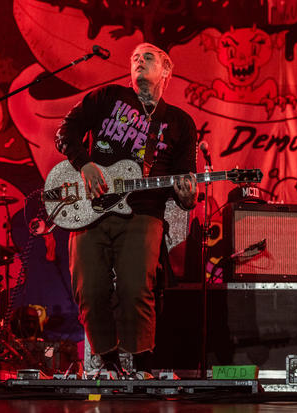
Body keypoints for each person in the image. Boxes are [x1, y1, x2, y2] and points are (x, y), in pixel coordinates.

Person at [54, 43, 198, 375]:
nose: (138, 61)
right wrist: (85, 164)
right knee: (88, 289)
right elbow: (65, 133)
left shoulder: (179, 122)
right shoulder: (107, 98)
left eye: (147, 57)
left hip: (144, 213)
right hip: (90, 208)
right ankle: (108, 363)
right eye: (134, 58)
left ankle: (143, 365)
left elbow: (184, 185)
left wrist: (188, 196)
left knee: (136, 288)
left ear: (166, 70)